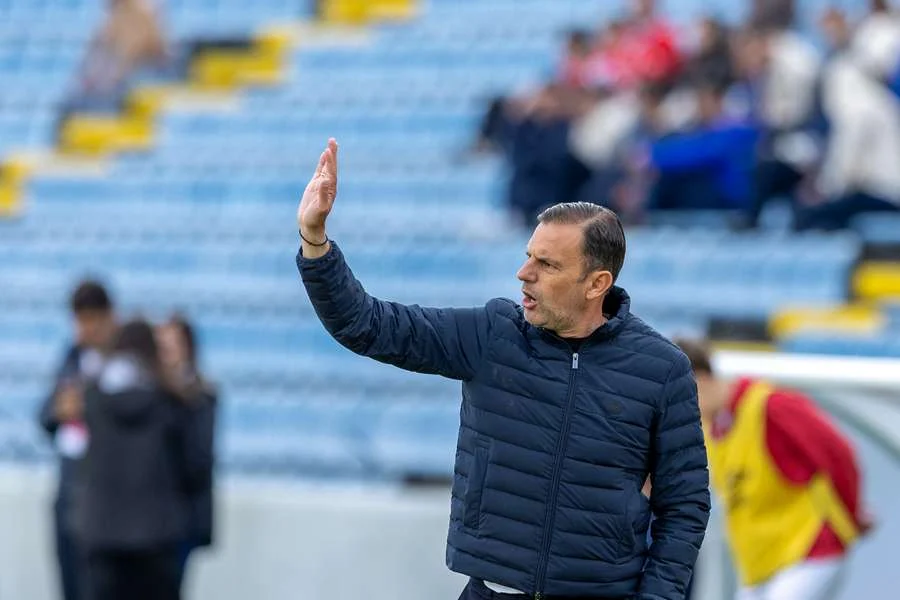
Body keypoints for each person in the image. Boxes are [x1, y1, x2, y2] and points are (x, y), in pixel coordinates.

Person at [296, 139, 710, 599]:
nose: (523, 272)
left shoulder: (662, 369)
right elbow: (366, 324)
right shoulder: (492, 334)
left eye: (546, 264)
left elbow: (684, 506)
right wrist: (316, 242)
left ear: (597, 284)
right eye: (528, 254)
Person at [673, 338, 873, 600]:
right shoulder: (714, 427)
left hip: (810, 550)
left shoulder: (771, 405)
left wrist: (852, 513)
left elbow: (839, 453)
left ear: (701, 379)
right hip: (763, 565)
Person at [76, 319, 212, 600]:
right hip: (157, 536)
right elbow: (194, 465)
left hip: (102, 533)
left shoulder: (92, 398)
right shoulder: (172, 401)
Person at [38, 280, 118, 600]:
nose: (83, 329)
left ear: (108, 317)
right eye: (79, 320)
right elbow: (44, 415)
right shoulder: (71, 357)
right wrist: (60, 410)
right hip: (69, 495)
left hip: (106, 499)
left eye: (90, 320)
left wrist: (91, 408)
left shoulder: (122, 360)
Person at [156, 314, 218, 592]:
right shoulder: (154, 393)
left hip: (182, 517)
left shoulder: (201, 396)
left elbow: (198, 459)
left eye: (171, 346)